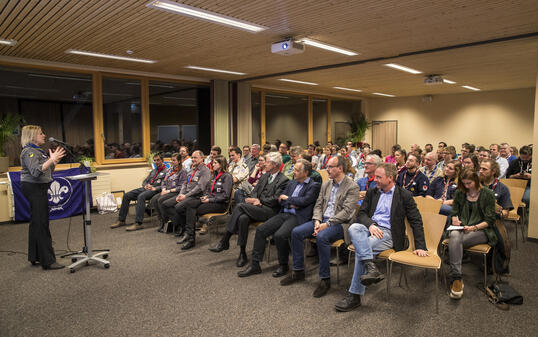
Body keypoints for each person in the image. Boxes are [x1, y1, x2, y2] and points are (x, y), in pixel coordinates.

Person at [335, 163, 428, 311]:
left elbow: (416, 221)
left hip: (388, 233)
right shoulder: (373, 192)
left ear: (390, 178)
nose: (375, 179)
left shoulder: (404, 195)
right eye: (375, 176)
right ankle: (371, 267)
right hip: (370, 228)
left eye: (379, 177)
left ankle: (354, 295)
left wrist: (421, 246)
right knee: (353, 227)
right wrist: (371, 225)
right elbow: (362, 214)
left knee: (362, 249)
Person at [280, 156, 360, 298]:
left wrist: (327, 224)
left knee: (322, 237)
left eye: (330, 167)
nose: (326, 169)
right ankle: (298, 271)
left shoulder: (352, 186)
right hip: (321, 221)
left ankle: (325, 279)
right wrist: (317, 220)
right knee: (296, 232)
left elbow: (347, 212)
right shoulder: (326, 185)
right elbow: (318, 205)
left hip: (340, 224)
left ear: (340, 169)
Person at [237, 159, 321, 278]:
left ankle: (283, 265)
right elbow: (279, 200)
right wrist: (290, 201)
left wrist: (288, 199)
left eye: (297, 170)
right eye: (294, 169)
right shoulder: (292, 183)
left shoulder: (314, 185)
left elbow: (305, 200)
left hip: (298, 216)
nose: (294, 172)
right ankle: (255, 265)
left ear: (306, 172)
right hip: (284, 213)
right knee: (261, 230)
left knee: (279, 235)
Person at [209, 152, 289, 268]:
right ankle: (242, 254)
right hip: (257, 207)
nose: (264, 164)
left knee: (240, 206)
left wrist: (259, 201)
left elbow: (275, 200)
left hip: (270, 211)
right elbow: (254, 191)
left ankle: (225, 240)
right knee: (242, 218)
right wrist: (254, 199)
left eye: (267, 162)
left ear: (275, 164)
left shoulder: (283, 180)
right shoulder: (265, 175)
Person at [20, 125, 66, 270]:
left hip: (38, 187)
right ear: (32, 136)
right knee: (41, 224)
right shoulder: (29, 152)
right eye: (41, 133)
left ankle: (35, 256)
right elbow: (35, 172)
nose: (44, 135)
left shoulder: (37, 151)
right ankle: (48, 261)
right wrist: (51, 160)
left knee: (36, 222)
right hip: (34, 188)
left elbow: (46, 171)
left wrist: (53, 162)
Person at [448, 168, 497, 299]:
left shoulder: (487, 194)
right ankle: (457, 276)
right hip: (462, 229)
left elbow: (490, 220)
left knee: (454, 241)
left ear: (476, 180)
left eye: (469, 183)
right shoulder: (460, 192)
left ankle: (455, 278)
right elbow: (454, 211)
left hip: (482, 230)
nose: (466, 186)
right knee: (454, 235)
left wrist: (474, 227)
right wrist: (454, 219)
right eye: (464, 183)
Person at [176, 155, 233, 249]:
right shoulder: (214, 176)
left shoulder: (227, 177)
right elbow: (209, 190)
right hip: (211, 200)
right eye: (213, 162)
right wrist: (206, 196)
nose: (212, 164)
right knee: (190, 205)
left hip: (220, 204)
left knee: (191, 209)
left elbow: (225, 196)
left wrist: (210, 199)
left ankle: (190, 237)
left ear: (221, 164)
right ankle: (189, 235)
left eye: (215, 163)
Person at [164, 150, 210, 247]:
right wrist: (180, 194)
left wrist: (185, 196)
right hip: (187, 195)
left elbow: (200, 188)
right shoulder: (193, 169)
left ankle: (189, 234)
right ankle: (187, 232)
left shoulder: (205, 170)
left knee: (179, 207)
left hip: (198, 196)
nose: (193, 159)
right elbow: (185, 183)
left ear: (202, 158)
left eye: (195, 157)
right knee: (171, 205)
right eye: (192, 157)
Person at [110, 153, 167, 231]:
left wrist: (155, 188)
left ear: (162, 160)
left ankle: (138, 223)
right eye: (155, 160)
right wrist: (145, 185)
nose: (156, 162)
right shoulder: (153, 171)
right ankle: (121, 220)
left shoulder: (167, 171)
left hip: (155, 190)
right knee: (127, 195)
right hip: (146, 188)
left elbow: (166, 185)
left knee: (141, 196)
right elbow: (144, 181)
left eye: (158, 160)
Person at [150, 153, 187, 232]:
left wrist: (168, 191)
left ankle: (167, 221)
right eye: (171, 160)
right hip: (166, 191)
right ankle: (162, 221)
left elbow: (181, 187)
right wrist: (163, 189)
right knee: (154, 200)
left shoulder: (182, 171)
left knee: (160, 200)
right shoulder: (170, 170)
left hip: (175, 191)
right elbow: (164, 181)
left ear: (179, 161)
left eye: (174, 160)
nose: (172, 162)